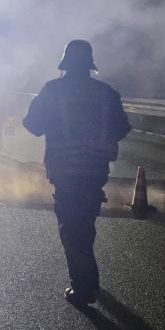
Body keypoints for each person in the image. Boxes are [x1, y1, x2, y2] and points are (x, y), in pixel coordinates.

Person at [22, 39, 131, 306]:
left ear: (65, 64)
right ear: (90, 65)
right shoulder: (106, 93)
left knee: (72, 230)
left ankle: (84, 288)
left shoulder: (53, 90)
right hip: (95, 173)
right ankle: (87, 282)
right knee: (84, 226)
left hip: (66, 172)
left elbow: (33, 125)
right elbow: (122, 128)